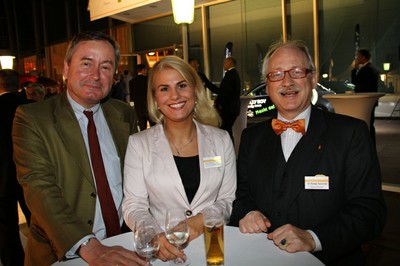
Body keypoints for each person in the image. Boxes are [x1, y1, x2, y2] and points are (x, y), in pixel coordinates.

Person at [229, 40, 386, 265]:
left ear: (312, 79)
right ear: (267, 84)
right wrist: (248, 213)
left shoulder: (350, 133)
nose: (287, 81)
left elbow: (370, 212)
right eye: (277, 74)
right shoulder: (251, 137)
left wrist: (313, 238)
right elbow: (241, 195)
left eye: (297, 71)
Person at [12, 31, 147, 266]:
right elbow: (40, 190)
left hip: (123, 246)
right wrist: (88, 245)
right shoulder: (33, 118)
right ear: (66, 69)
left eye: (105, 67)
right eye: (86, 64)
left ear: (114, 76)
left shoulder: (123, 114)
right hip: (65, 253)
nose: (95, 75)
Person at [122, 55, 237, 263]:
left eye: (182, 85)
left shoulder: (221, 140)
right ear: (156, 99)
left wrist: (198, 221)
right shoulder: (139, 144)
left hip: (212, 248)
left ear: (194, 91)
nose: (175, 96)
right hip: (163, 251)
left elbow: (227, 200)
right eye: (164, 88)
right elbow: (134, 205)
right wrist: (153, 235)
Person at [0, 69, 32, 266]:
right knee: (41, 226)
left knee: (6, 229)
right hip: (31, 177)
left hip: (2, 178)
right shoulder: (32, 107)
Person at [206, 57, 241, 141]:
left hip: (228, 109)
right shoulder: (234, 74)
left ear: (230, 63)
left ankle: (228, 150)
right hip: (231, 109)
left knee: (225, 131)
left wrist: (220, 104)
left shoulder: (230, 75)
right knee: (227, 130)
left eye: (225, 62)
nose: (223, 64)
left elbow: (225, 92)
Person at [351, 48, 380, 144]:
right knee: (370, 124)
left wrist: (355, 69)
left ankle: (368, 145)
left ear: (364, 57)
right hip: (370, 100)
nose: (357, 58)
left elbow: (356, 82)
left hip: (364, 101)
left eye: (358, 56)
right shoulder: (372, 69)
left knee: (366, 124)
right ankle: (371, 145)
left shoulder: (366, 70)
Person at [129, 63, 153, 130]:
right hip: (149, 107)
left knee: (142, 129)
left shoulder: (132, 81)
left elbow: (132, 97)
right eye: (146, 69)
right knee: (153, 128)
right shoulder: (148, 80)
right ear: (143, 70)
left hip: (138, 108)